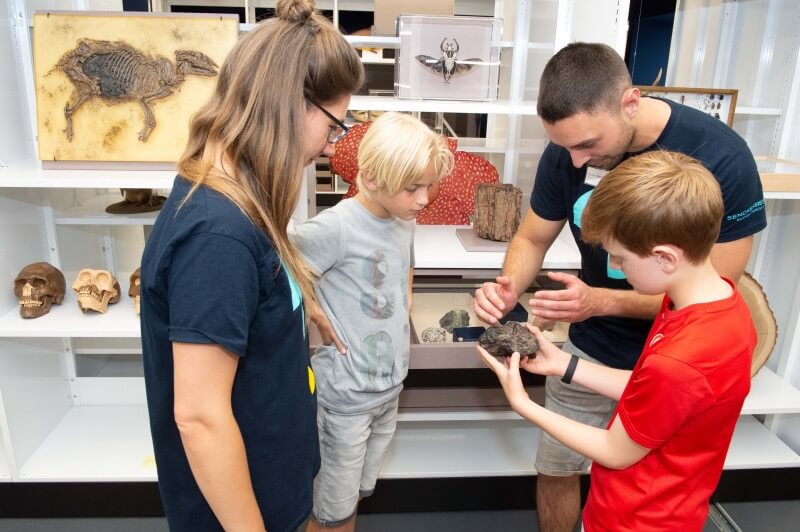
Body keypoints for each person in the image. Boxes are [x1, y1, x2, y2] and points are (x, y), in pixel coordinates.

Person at [472, 42, 766, 532]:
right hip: (608, 358)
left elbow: (617, 448)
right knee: (558, 468)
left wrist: (524, 400)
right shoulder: (705, 319)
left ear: (630, 102)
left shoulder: (724, 157)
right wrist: (526, 312)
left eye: (621, 258)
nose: (575, 160)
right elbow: (532, 236)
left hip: (640, 514)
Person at [139, 1, 363, 530]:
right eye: (334, 126)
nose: (328, 146)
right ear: (291, 106)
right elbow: (199, 418)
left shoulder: (239, 198)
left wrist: (294, 303)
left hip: (274, 482)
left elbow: (249, 287)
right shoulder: (217, 236)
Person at [290, 111, 454, 532]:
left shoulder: (404, 220)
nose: (423, 199)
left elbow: (404, 263)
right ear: (373, 178)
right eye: (412, 188)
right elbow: (280, 261)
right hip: (346, 397)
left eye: (429, 185)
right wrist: (312, 306)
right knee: (332, 510)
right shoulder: (335, 227)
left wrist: (406, 295)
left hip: (389, 387)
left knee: (356, 494)